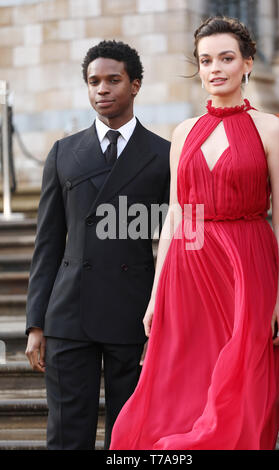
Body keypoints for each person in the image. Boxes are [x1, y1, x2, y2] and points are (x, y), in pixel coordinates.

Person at [109, 16, 279, 450]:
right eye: (206, 60)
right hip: (189, 266)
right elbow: (178, 214)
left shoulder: (271, 129)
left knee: (242, 384)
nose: (215, 68)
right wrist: (158, 293)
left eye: (226, 58)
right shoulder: (184, 132)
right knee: (186, 382)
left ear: (247, 63)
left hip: (248, 264)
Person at [25, 40, 170, 450]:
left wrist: (166, 315)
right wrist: (37, 322)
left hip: (135, 314)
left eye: (113, 80)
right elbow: (47, 243)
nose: (101, 89)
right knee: (68, 433)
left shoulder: (163, 156)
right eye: (93, 82)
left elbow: (173, 243)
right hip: (69, 313)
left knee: (131, 436)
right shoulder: (63, 153)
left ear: (135, 85)